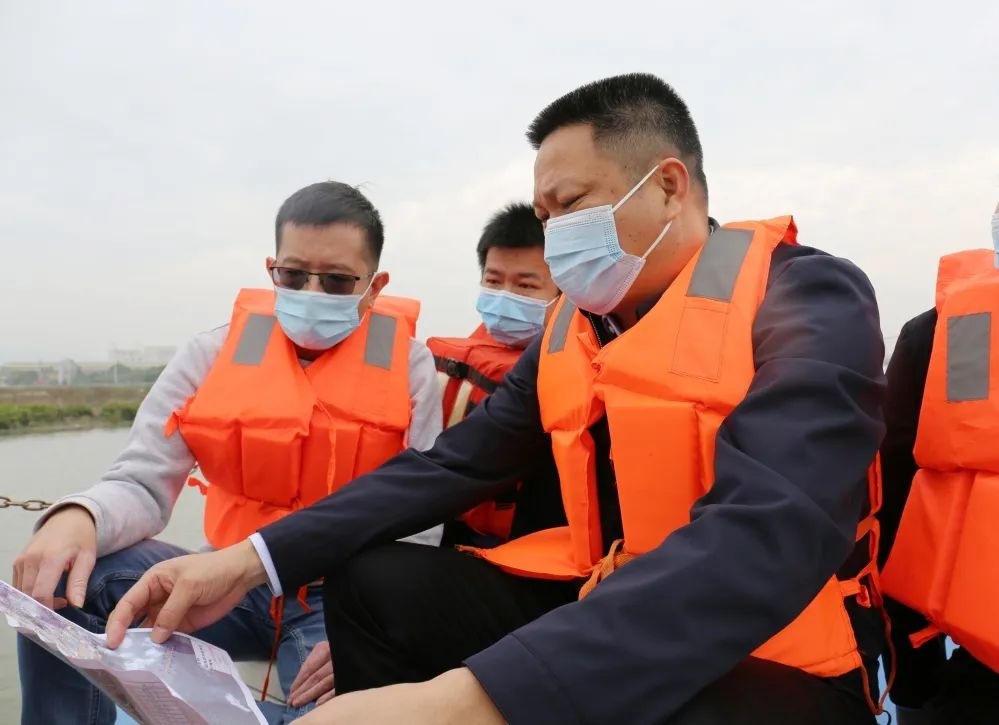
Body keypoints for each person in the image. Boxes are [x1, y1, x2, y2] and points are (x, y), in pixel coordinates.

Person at [103, 73, 889, 725]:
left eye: (569, 205)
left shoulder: (805, 297)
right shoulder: (573, 326)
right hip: (603, 594)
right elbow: (449, 466)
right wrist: (248, 562)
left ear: (667, 186)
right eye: (544, 218)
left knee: (676, 707)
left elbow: (771, 528)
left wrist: (462, 700)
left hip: (781, 648)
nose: (553, 238)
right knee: (377, 582)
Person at [12, 181, 443, 725]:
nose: (312, 291)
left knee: (344, 714)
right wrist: (80, 516)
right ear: (272, 271)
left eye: (336, 280)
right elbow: (142, 480)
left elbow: (419, 523)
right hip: (220, 581)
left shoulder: (409, 368)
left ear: (374, 287)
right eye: (294, 275)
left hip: (337, 602)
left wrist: (378, 625)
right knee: (67, 585)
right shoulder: (210, 353)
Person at [878, 202, 999, 725]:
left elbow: (896, 507)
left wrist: (913, 681)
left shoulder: (945, 334)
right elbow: (899, 500)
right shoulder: (935, 339)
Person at [428, 202, 561, 547]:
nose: (505, 297)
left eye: (526, 286)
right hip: (447, 530)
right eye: (493, 281)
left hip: (526, 544)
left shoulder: (579, 374)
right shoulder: (438, 364)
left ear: (563, 293)